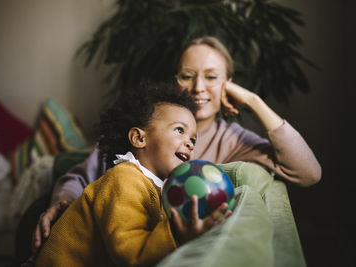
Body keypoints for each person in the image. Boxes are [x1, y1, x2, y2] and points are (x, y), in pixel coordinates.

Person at [31, 36, 321, 253]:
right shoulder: (148, 128)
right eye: (187, 75)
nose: (198, 87)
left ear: (228, 84)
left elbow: (309, 173)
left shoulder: (233, 139)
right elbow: (80, 175)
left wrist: (253, 101)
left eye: (211, 77)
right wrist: (60, 202)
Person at [34, 83, 232, 266]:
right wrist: (177, 233)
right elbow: (129, 253)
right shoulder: (124, 179)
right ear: (139, 138)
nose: (189, 143)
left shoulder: (160, 189)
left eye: (193, 140)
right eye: (179, 130)